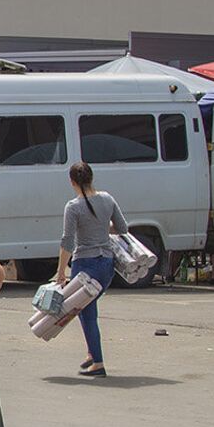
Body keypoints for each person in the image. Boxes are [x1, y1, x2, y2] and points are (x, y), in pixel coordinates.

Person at [55, 161, 128, 379]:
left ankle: (98, 363)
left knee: (86, 313)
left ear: (72, 182)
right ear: (92, 178)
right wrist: (102, 228)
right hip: (106, 265)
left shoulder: (73, 207)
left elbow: (68, 242)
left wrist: (61, 271)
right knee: (88, 309)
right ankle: (91, 353)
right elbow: (122, 228)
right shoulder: (107, 199)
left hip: (84, 265)